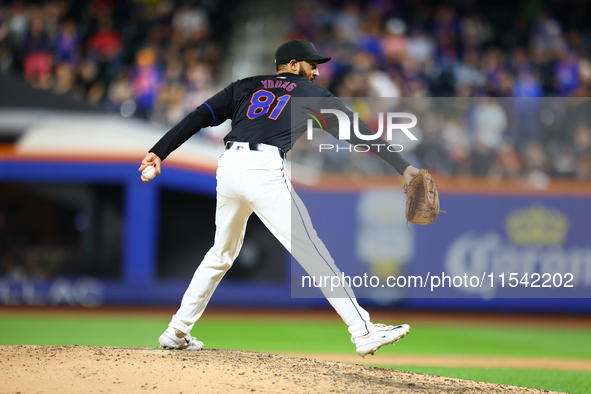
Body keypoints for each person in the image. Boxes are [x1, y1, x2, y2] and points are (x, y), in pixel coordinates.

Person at [138, 40, 420, 357]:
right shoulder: (310, 94)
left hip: (229, 167)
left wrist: (159, 151)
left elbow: (198, 116)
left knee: (220, 253)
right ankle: (363, 331)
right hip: (263, 168)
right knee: (311, 250)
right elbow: (358, 131)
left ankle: (177, 330)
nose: (316, 70)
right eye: (312, 63)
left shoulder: (244, 86)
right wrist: (402, 166)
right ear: (293, 63)